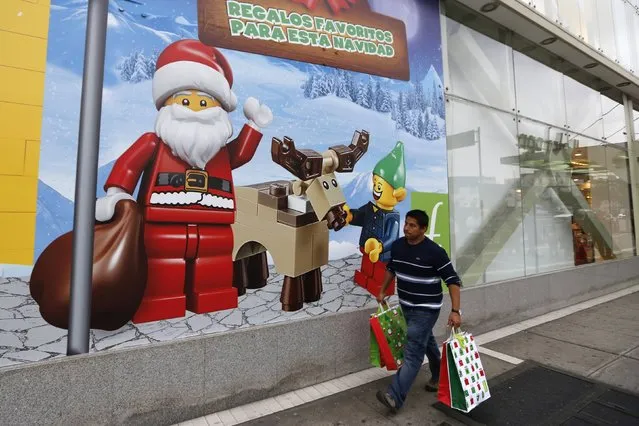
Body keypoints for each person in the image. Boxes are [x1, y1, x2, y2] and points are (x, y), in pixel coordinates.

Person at [95, 39, 273, 323]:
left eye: (204, 102)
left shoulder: (216, 151)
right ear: (168, 102)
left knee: (213, 260)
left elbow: (238, 155)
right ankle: (161, 300)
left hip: (214, 219)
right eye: (185, 101)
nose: (195, 109)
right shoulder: (154, 142)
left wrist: (253, 126)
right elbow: (129, 165)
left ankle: (211, 294)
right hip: (163, 219)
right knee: (163, 260)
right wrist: (117, 193)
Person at [375, 209, 462, 413]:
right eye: (406, 223)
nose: (406, 228)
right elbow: (391, 268)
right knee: (426, 341)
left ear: (423, 229)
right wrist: (382, 291)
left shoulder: (435, 252)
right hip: (407, 305)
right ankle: (438, 375)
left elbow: (453, 281)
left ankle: (395, 396)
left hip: (426, 309)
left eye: (413, 225)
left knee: (413, 352)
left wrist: (455, 310)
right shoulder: (397, 246)